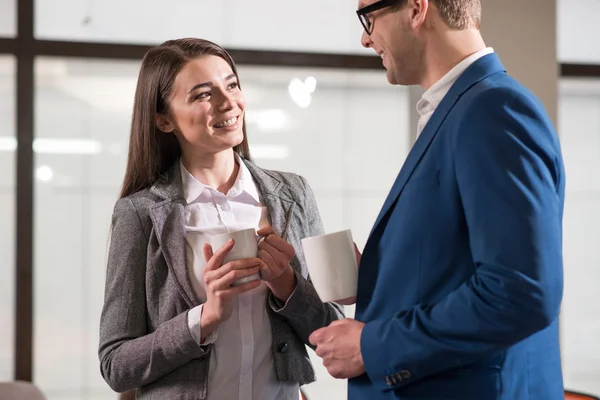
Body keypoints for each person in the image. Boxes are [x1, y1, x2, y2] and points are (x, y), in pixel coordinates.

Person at [309, 1, 565, 399]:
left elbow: (521, 292)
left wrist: (372, 346)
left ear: (416, 9)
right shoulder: (459, 108)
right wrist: (380, 280)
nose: (365, 38)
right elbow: (457, 264)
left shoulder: (493, 109)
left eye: (369, 18)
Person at [98, 37, 343, 400]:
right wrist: (203, 318)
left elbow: (333, 328)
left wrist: (287, 285)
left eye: (231, 84)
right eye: (202, 94)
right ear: (164, 120)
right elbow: (116, 365)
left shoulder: (294, 193)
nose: (229, 103)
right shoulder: (140, 214)